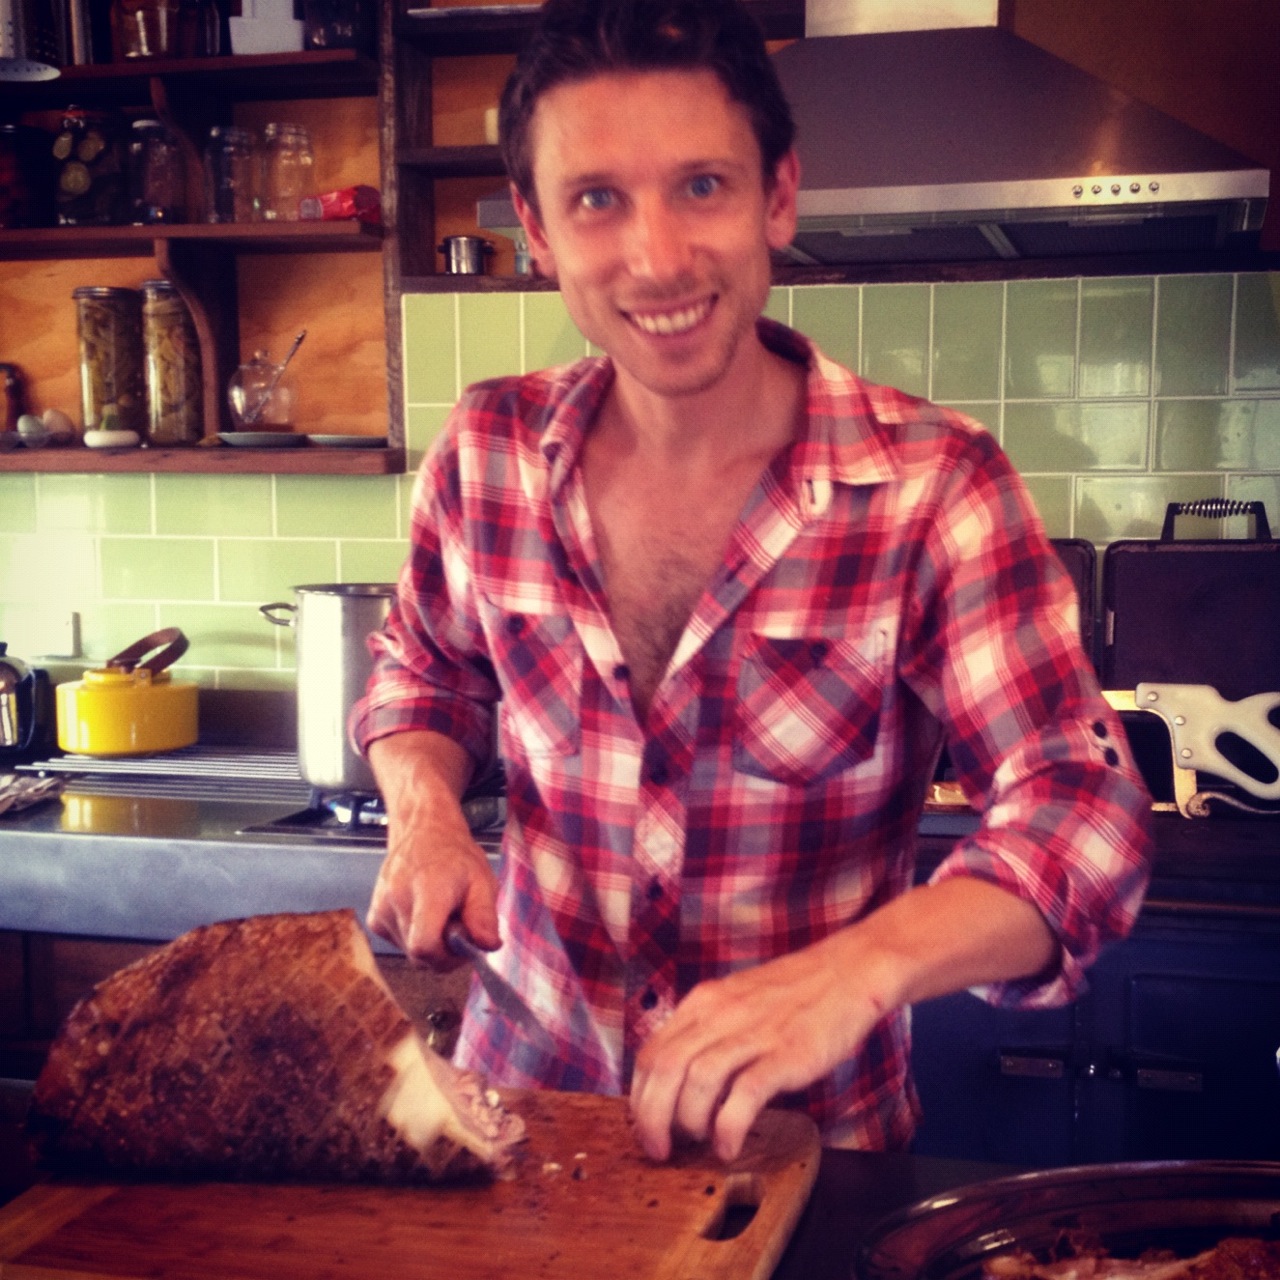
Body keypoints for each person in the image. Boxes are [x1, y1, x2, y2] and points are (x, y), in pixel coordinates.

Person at [350, 0, 1152, 1164]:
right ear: (535, 226)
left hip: (802, 1158)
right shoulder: (485, 453)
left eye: (701, 187)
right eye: (596, 200)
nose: (657, 257)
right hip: (522, 1143)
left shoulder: (932, 486)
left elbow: (1082, 814)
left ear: (777, 195)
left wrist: (855, 970)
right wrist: (423, 812)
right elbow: (422, 672)